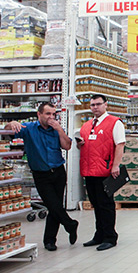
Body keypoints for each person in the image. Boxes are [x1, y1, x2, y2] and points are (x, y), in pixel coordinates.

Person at [5, 102, 78, 251]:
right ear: (39, 114)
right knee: (53, 204)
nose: (51, 117)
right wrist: (11, 123)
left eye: (53, 114)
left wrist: (59, 129)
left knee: (55, 207)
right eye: (48, 114)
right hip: (41, 174)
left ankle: (50, 241)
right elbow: (8, 132)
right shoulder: (29, 128)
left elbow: (67, 146)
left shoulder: (56, 129)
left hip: (58, 172)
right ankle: (70, 224)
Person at [77, 94, 125, 251]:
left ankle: (110, 237)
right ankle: (99, 235)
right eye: (92, 105)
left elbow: (120, 145)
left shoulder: (115, 123)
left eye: (98, 104)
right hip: (89, 171)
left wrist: (115, 166)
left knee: (106, 205)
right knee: (96, 204)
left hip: (105, 171)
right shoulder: (87, 125)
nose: (95, 107)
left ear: (106, 105)